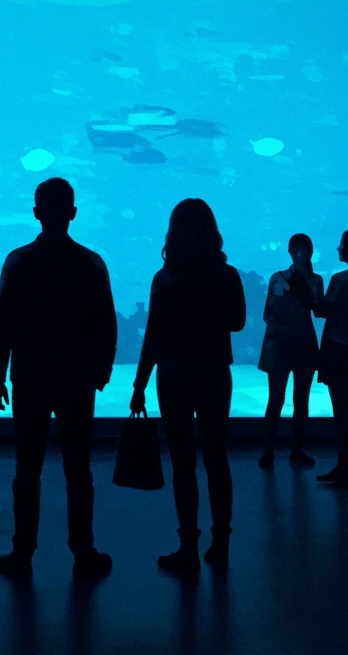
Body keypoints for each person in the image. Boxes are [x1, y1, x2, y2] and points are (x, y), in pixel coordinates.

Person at [0, 178, 117, 581]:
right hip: (77, 379)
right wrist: (101, 370)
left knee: (28, 467)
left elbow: (3, 322)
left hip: (30, 377)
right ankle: (83, 550)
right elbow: (107, 324)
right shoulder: (90, 263)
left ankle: (22, 551)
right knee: (79, 470)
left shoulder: (19, 262)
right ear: (73, 213)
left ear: (36, 213)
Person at [131, 199, 245, 572]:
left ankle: (188, 549)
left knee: (183, 463)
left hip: (174, 375)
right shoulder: (227, 275)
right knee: (216, 458)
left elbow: (153, 336)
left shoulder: (164, 278)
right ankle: (221, 543)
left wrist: (139, 384)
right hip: (214, 373)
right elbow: (238, 322)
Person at [299, 230, 348, 489]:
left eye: (341, 245)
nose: (337, 248)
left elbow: (326, 311)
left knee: (344, 412)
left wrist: (311, 296)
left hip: (340, 349)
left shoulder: (341, 280)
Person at [257, 233, 323, 469]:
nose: (302, 254)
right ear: (290, 252)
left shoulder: (315, 280)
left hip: (300, 345)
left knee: (300, 399)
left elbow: (319, 311)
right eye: (298, 249)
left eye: (306, 249)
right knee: (276, 399)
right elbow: (268, 313)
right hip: (282, 344)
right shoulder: (278, 278)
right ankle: (269, 451)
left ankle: (295, 450)